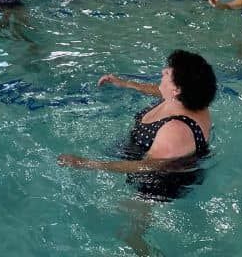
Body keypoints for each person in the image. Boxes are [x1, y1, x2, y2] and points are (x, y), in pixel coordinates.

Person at [57, 50, 216, 201]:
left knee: (132, 222)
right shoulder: (191, 98)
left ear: (177, 89)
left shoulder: (175, 131)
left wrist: (87, 164)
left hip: (160, 181)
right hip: (145, 152)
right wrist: (127, 84)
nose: (162, 71)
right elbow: (161, 91)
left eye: (167, 73)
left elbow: (146, 167)